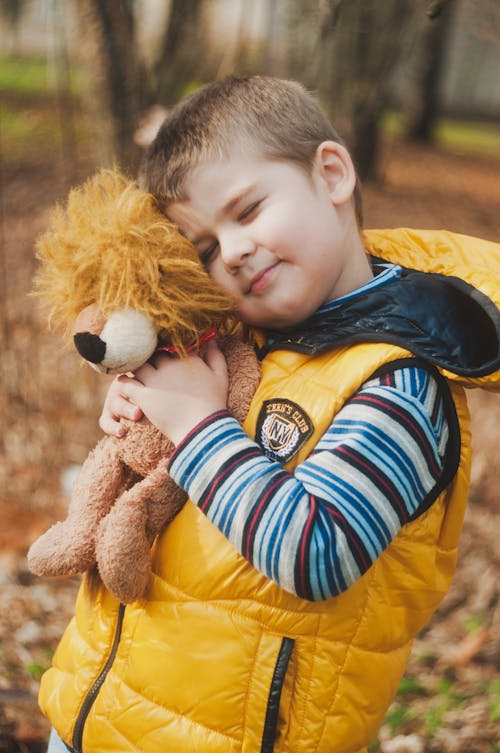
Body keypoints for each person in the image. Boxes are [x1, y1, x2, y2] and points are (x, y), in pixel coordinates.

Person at [41, 76, 499, 753]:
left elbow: (316, 553)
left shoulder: (399, 385)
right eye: (202, 249)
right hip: (98, 712)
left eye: (248, 210)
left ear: (333, 174)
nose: (231, 252)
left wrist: (196, 426)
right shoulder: (233, 344)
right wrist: (145, 417)